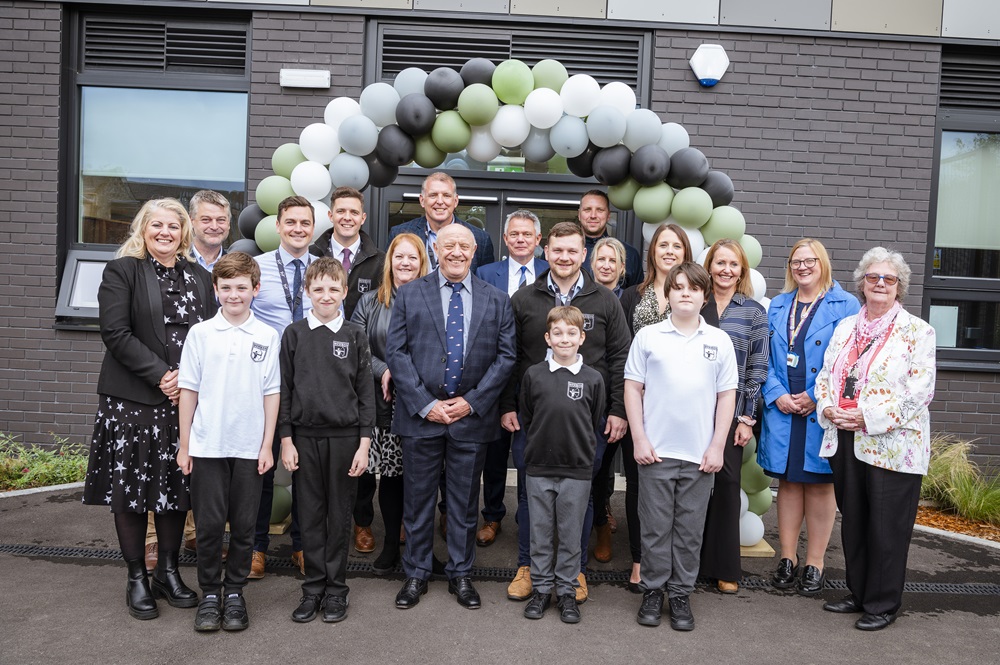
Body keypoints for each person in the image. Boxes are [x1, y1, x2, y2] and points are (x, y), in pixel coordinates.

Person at [82, 198, 215, 620]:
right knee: (132, 493)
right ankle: (137, 576)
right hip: (133, 402)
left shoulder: (199, 276)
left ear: (184, 233)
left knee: (176, 490)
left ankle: (169, 573)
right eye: (156, 225)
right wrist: (163, 375)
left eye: (173, 227)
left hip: (184, 403)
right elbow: (115, 332)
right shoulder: (122, 271)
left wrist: (190, 382)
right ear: (143, 229)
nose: (165, 233)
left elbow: (211, 334)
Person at [386, 223, 515, 611]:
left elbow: (506, 357)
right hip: (421, 418)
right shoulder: (410, 294)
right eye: (448, 245)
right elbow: (397, 353)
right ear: (435, 249)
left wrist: (472, 402)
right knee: (419, 501)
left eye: (463, 245)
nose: (456, 251)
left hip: (471, 419)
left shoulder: (498, 300)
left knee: (462, 504)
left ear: (475, 250)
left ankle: (461, 574)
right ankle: (416, 574)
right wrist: (427, 404)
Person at [501, 221, 631, 604]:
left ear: (583, 254)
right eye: (558, 250)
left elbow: (621, 358)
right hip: (533, 419)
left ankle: (574, 572)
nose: (565, 257)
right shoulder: (524, 299)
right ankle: (528, 566)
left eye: (573, 251)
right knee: (529, 494)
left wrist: (619, 409)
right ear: (546, 251)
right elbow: (511, 356)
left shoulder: (604, 300)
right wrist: (508, 404)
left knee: (583, 496)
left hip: (586, 421)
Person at [816, 247, 936, 631]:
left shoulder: (918, 331)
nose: (880, 284)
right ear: (862, 283)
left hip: (893, 445)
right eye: (873, 278)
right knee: (854, 520)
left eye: (888, 279)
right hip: (846, 439)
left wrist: (866, 416)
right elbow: (825, 377)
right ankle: (859, 592)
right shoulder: (845, 326)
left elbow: (920, 392)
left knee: (886, 527)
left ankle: (883, 604)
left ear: (899, 287)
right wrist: (828, 409)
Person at [625, 262, 737, 631]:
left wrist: (717, 445)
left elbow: (726, 397)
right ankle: (654, 591)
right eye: (678, 287)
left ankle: (680, 594)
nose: (685, 293)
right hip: (655, 452)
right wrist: (639, 438)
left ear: (705, 296)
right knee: (655, 529)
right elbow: (632, 389)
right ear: (668, 294)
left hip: (699, 455)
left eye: (693, 288)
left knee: (689, 531)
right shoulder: (649, 337)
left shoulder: (719, 341)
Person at [176, 252, 280, 632]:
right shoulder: (201, 334)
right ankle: (209, 594)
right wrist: (185, 445)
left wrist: (267, 444)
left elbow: (272, 393)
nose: (234, 295)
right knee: (207, 525)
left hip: (250, 448)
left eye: (242, 287)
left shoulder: (267, 336)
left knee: (244, 525)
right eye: (226, 288)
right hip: (207, 447)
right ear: (215, 290)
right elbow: (188, 390)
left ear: (255, 289)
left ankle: (234, 593)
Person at [759, 239, 860, 596]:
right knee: (788, 483)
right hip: (784, 406)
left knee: (819, 484)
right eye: (795, 261)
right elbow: (764, 358)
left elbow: (850, 360)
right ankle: (787, 558)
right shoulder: (778, 304)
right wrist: (777, 395)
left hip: (821, 408)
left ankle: (815, 562)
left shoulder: (846, 304)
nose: (802, 267)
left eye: (809, 261)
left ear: (823, 263)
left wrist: (817, 396)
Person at [278, 257, 376, 624]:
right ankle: (312, 589)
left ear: (345, 292)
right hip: (304, 438)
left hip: (345, 439)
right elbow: (284, 390)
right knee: (310, 514)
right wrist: (286, 439)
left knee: (339, 516)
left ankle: (336, 590)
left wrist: (364, 444)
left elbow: (366, 395)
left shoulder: (354, 335)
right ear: (307, 291)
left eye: (334, 288)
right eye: (318, 288)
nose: (326, 295)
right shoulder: (294, 334)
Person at [614, 222, 692, 589]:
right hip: (640, 405)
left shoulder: (693, 294)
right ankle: (640, 559)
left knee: (680, 488)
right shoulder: (633, 295)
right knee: (639, 485)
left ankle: (675, 564)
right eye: (663, 245)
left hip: (679, 409)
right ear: (652, 251)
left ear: (685, 253)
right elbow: (623, 352)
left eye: (676, 245)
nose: (669, 251)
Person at [520, 306, 606, 625]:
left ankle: (567, 592)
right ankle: (542, 590)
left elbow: (594, 420)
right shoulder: (534, 375)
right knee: (541, 534)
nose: (564, 338)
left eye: (572, 333)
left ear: (582, 338)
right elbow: (528, 417)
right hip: (539, 468)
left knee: (570, 536)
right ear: (548, 337)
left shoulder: (593, 379)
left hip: (577, 472)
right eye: (558, 333)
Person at [350, 233, 430, 574]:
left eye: (413, 258)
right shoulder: (369, 302)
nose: (406, 263)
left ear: (422, 263)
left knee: (421, 480)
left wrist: (403, 373)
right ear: (390, 262)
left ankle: (418, 545)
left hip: (422, 405)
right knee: (391, 477)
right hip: (382, 405)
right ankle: (389, 546)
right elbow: (356, 348)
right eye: (400, 257)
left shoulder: (434, 302)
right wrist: (385, 370)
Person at [313, 186, 386, 556]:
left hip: (360, 361)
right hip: (318, 361)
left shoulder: (378, 260)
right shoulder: (314, 253)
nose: (346, 217)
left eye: (353, 212)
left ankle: (361, 522)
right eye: (340, 211)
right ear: (331, 216)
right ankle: (317, 526)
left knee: (361, 446)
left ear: (362, 217)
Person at [249, 196, 318, 579]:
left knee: (306, 473)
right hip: (265, 386)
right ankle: (256, 549)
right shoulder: (255, 268)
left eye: (304, 223)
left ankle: (303, 546)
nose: (297, 228)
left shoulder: (322, 272)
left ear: (313, 227)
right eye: (290, 222)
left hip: (309, 385)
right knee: (262, 470)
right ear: (278, 226)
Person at [473, 210, 549, 547]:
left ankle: (528, 516)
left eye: (526, 234)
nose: (520, 239)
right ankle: (492, 516)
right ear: (505, 240)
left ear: (538, 240)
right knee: (494, 451)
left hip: (539, 376)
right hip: (495, 374)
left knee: (532, 454)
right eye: (514, 234)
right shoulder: (487, 272)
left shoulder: (551, 272)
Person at [698, 239, 770, 593]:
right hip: (692, 409)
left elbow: (758, 369)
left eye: (734, 264)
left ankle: (724, 566)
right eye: (720, 262)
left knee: (726, 484)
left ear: (742, 271)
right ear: (709, 265)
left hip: (733, 411)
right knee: (693, 483)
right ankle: (689, 561)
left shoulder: (753, 312)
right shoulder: (696, 302)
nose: (726, 270)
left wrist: (747, 418)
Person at [387, 172, 495, 273]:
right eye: (433, 195)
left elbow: (485, 285)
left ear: (455, 201)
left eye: (446, 195)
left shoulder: (480, 239)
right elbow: (390, 276)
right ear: (422, 200)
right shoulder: (399, 233)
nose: (439, 201)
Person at [578, 189, 642, 289]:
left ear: (608, 215)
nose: (593, 215)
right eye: (587, 210)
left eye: (600, 210)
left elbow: (636, 297)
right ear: (579, 215)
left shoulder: (629, 253)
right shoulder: (566, 252)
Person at [189, 190, 231, 271]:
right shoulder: (175, 262)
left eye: (221, 220)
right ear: (191, 221)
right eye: (206, 219)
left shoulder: (236, 268)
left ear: (228, 223)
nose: (214, 227)